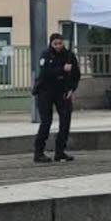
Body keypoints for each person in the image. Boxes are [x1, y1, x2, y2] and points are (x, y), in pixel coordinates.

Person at [32, 33, 81, 164]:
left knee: (65, 121)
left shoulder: (69, 56)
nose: (58, 46)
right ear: (51, 44)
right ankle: (39, 152)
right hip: (45, 92)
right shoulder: (46, 55)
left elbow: (76, 74)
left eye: (60, 43)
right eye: (56, 44)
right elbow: (45, 73)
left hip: (62, 92)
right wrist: (61, 69)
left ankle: (60, 152)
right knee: (46, 122)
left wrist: (71, 88)